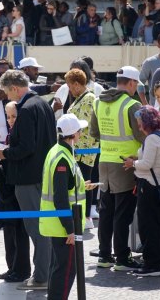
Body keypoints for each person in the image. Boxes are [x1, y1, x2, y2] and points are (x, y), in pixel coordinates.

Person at [0, 69, 56, 290]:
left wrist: (5, 154)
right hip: (43, 173)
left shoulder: (27, 109)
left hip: (28, 177)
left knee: (36, 228)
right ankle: (47, 272)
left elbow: (26, 147)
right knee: (45, 227)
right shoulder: (42, 104)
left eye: (6, 92)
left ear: (14, 87)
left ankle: (41, 277)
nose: (7, 96)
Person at [89, 66, 145, 271]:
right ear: (131, 83)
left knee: (106, 212)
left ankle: (104, 255)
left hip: (104, 161)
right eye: (136, 84)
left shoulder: (98, 102)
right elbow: (142, 135)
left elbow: (94, 132)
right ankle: (122, 257)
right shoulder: (132, 105)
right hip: (126, 163)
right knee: (123, 214)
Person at [40, 114, 92, 299]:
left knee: (59, 269)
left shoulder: (57, 150)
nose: (81, 133)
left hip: (57, 222)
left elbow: (64, 187)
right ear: (74, 134)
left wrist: (81, 185)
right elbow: (60, 198)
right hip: (64, 225)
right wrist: (71, 229)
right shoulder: (63, 157)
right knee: (66, 271)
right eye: (80, 131)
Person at [123, 106, 160, 276]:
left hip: (148, 185)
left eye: (139, 122)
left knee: (148, 226)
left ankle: (152, 264)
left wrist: (132, 163)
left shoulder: (151, 139)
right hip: (159, 184)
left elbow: (147, 165)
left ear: (145, 122)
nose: (138, 126)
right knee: (159, 225)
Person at [0, 101, 31, 283]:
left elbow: (18, 158)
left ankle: (20, 269)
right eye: (8, 116)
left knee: (18, 231)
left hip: (15, 190)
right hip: (7, 191)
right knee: (9, 231)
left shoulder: (20, 137)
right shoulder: (10, 136)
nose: (10, 120)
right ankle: (13, 267)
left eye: (14, 116)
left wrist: (1, 158)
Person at [64, 68, 99, 230]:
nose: (70, 89)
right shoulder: (81, 98)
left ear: (77, 84)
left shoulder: (89, 98)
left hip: (85, 149)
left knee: (85, 182)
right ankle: (83, 215)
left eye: (70, 86)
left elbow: (83, 123)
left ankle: (86, 216)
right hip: (78, 149)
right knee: (81, 182)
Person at [139, 32, 160, 105]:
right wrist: (145, 104)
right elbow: (140, 83)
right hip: (156, 108)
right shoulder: (149, 62)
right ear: (158, 45)